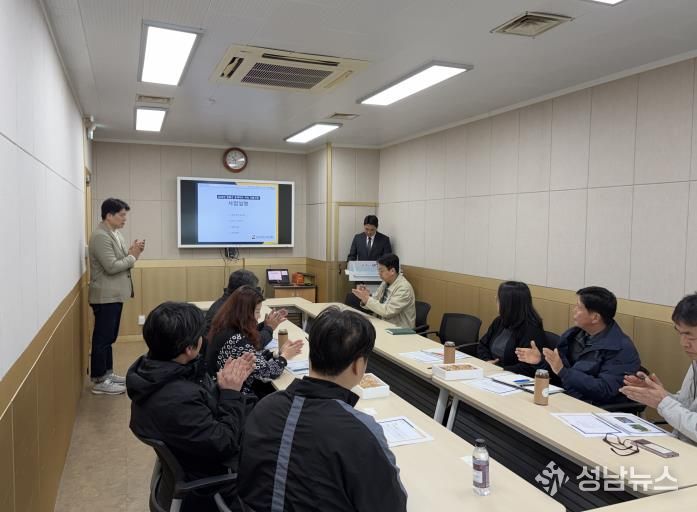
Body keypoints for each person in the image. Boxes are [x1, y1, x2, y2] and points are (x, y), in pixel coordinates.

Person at [238, 306, 408, 511]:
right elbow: (392, 505)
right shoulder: (360, 433)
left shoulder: (264, 407)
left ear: (311, 355)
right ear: (358, 365)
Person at [127, 302, 255, 511]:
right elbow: (225, 443)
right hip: (211, 483)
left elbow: (199, 408)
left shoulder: (150, 372)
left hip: (191, 456)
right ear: (189, 348)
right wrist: (232, 393)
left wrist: (222, 386)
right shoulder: (178, 399)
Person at [516, 286, 640, 405]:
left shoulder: (621, 348)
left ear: (595, 317)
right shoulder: (573, 335)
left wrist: (564, 372)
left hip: (592, 407)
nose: (574, 310)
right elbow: (559, 373)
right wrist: (540, 361)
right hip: (564, 398)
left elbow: (605, 390)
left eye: (579, 307)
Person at [620, 293, 697, 445]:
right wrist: (657, 394)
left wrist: (663, 402)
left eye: (690, 336)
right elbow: (687, 407)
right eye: (680, 333)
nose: (683, 343)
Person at [88, 198, 145, 395]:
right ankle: (99, 380)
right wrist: (133, 256)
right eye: (121, 215)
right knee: (102, 338)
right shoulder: (100, 236)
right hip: (105, 296)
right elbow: (111, 267)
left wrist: (132, 251)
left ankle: (107, 373)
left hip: (115, 295)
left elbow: (121, 259)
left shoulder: (115, 233)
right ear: (109, 215)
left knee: (109, 337)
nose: (124, 219)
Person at [206, 286, 303, 396]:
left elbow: (254, 356)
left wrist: (277, 354)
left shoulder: (225, 325)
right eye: (257, 312)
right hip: (237, 395)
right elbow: (268, 372)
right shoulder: (237, 340)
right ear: (244, 313)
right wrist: (285, 356)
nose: (259, 316)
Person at [478, 281, 550, 377]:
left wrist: (499, 369)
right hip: (491, 373)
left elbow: (528, 368)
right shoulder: (499, 321)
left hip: (511, 378)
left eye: (499, 298)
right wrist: (487, 361)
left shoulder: (531, 330)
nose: (496, 299)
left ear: (509, 304)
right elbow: (483, 345)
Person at [203, 268, 286, 344]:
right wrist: (269, 328)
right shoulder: (230, 311)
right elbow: (252, 344)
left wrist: (265, 324)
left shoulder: (226, 304)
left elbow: (245, 333)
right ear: (244, 291)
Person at [351, 253, 416, 329]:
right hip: (384, 324)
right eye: (378, 270)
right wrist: (365, 297)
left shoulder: (404, 288)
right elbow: (375, 301)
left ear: (392, 271)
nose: (379, 274)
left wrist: (367, 299)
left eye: (381, 271)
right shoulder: (385, 283)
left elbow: (387, 312)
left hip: (400, 330)